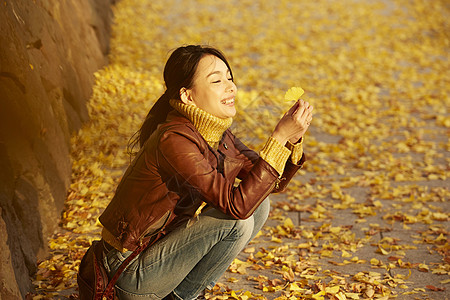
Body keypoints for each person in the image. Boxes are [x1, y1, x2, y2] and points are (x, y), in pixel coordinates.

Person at [98, 45, 313, 300]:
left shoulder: (217, 134)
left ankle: (184, 293)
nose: (230, 87)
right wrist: (278, 136)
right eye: (217, 80)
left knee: (260, 205)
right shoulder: (174, 139)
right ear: (187, 96)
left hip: (158, 254)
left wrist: (292, 141)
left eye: (230, 78)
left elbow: (268, 183)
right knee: (237, 221)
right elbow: (237, 208)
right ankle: (184, 296)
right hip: (128, 269)